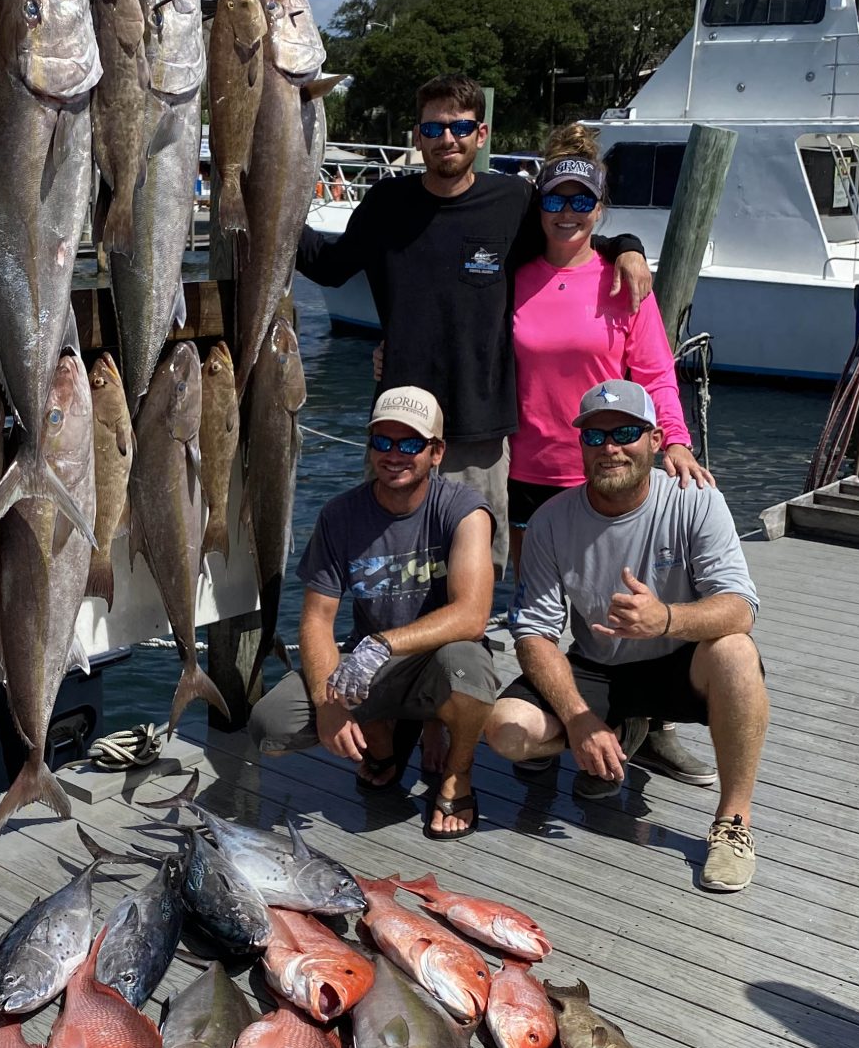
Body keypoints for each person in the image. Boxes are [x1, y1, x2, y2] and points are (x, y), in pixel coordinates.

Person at [295, 75, 651, 568]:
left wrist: (627, 248)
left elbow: (568, 234)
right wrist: (267, 214)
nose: (447, 139)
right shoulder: (385, 204)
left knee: (473, 564)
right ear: (417, 135)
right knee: (392, 564)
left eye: (460, 127)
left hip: (480, 427)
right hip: (400, 422)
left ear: (481, 135)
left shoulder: (512, 202)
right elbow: (329, 268)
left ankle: (467, 641)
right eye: (434, 128)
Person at [486, 380, 769, 892]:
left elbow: (740, 608)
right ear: (580, 446)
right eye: (595, 437)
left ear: (656, 440)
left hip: (678, 661)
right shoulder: (551, 520)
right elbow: (532, 632)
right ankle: (613, 734)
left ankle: (734, 822)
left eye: (625, 433)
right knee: (508, 730)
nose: (610, 448)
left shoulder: (696, 500)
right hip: (598, 665)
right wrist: (577, 718)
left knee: (735, 652)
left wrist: (665, 619)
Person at [509, 122, 715, 790]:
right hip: (530, 470)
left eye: (581, 202)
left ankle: (643, 725)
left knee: (626, 609)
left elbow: (655, 373)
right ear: (537, 201)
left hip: (611, 470)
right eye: (555, 199)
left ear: (599, 209)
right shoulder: (513, 274)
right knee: (544, 612)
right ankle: (557, 726)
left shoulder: (622, 279)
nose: (567, 214)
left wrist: (675, 441)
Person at [248, 386, 497, 838]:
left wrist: (381, 644)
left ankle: (458, 773)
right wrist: (328, 704)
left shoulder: (464, 510)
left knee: (469, 670)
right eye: (382, 441)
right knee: (272, 724)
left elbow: (472, 616)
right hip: (370, 672)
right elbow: (317, 619)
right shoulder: (339, 515)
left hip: (432, 660)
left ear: (436, 451)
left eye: (409, 444)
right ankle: (386, 738)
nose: (394, 454)